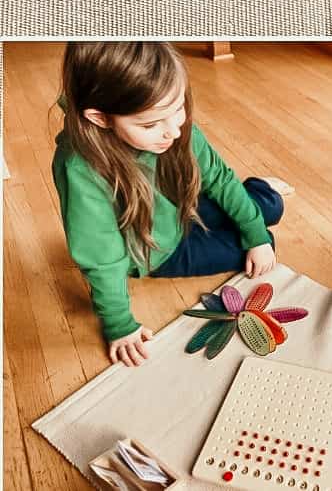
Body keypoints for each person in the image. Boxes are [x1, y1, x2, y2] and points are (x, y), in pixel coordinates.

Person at [53, 42, 284, 367]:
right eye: (150, 125)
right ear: (101, 118)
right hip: (156, 250)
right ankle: (256, 202)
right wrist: (119, 324)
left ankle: (261, 191)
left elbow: (219, 178)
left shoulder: (171, 126)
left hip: (180, 206)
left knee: (269, 211)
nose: (174, 130)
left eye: (179, 108)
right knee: (264, 244)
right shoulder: (80, 169)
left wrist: (255, 235)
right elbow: (101, 257)